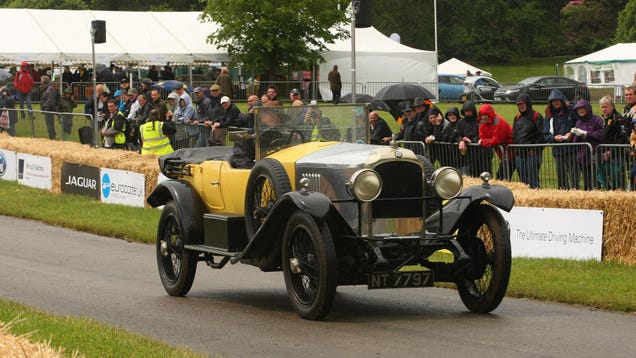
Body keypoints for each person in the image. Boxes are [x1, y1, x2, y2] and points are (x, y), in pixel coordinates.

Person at [543, 89, 578, 190]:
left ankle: (575, 194)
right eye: (553, 101)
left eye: (558, 100)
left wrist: (571, 133)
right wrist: (553, 138)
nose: (556, 103)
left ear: (562, 100)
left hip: (571, 149)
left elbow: (578, 124)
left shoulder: (571, 110)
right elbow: (546, 133)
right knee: (561, 177)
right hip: (558, 150)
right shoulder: (549, 115)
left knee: (574, 176)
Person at [512, 94, 545, 189]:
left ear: (527, 104)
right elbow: (514, 135)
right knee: (523, 181)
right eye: (518, 105)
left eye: (522, 104)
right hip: (519, 153)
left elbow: (542, 135)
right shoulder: (517, 117)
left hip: (532, 154)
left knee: (532, 180)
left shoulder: (536, 116)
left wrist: (534, 148)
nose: (520, 106)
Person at [570, 100, 603, 191]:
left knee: (595, 180)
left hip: (594, 155)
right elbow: (576, 142)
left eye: (582, 109)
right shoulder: (578, 122)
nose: (580, 111)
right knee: (586, 180)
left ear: (587, 109)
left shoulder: (597, 119)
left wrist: (586, 133)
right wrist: (576, 135)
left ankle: (596, 194)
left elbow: (600, 134)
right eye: (578, 109)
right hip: (583, 157)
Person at [596, 95, 628, 190]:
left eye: (606, 106)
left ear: (612, 106)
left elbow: (622, 138)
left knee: (617, 182)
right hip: (605, 155)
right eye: (602, 107)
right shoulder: (606, 119)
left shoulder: (618, 118)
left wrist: (612, 152)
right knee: (605, 179)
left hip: (616, 156)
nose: (604, 109)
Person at [478, 104, 514, 180]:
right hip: (505, 154)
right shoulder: (482, 123)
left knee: (501, 178)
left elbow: (497, 140)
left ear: (490, 114)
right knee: (501, 178)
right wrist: (487, 141)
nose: (483, 117)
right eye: (482, 115)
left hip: (513, 153)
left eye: (485, 115)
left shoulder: (498, 121)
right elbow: (483, 136)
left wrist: (483, 142)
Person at [456, 100, 481, 176]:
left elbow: (482, 133)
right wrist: (461, 140)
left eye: (469, 111)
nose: (468, 113)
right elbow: (457, 134)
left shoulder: (479, 121)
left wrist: (472, 141)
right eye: (466, 111)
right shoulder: (461, 122)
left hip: (480, 154)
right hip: (466, 155)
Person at [623, 86, 636, 190]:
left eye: (630, 94)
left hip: (633, 146)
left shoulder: (635, 109)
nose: (628, 97)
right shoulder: (626, 109)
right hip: (628, 145)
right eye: (626, 95)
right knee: (630, 170)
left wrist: (633, 148)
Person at [39, 75, 59, 140]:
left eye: (41, 81)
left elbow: (50, 101)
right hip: (47, 110)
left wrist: (45, 106)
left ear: (44, 81)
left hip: (49, 110)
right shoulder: (48, 88)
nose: (40, 83)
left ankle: (52, 138)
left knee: (50, 125)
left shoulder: (50, 89)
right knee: (49, 125)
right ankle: (51, 138)